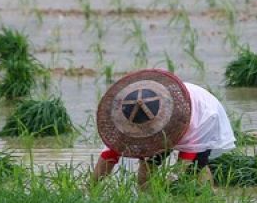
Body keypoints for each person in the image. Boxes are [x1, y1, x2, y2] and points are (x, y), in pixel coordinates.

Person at [93, 78, 235, 188]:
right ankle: (149, 200)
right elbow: (110, 154)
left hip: (202, 114)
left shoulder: (190, 117)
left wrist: (174, 181)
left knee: (196, 168)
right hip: (163, 113)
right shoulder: (125, 118)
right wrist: (91, 187)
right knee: (147, 166)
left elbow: (187, 157)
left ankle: (208, 199)